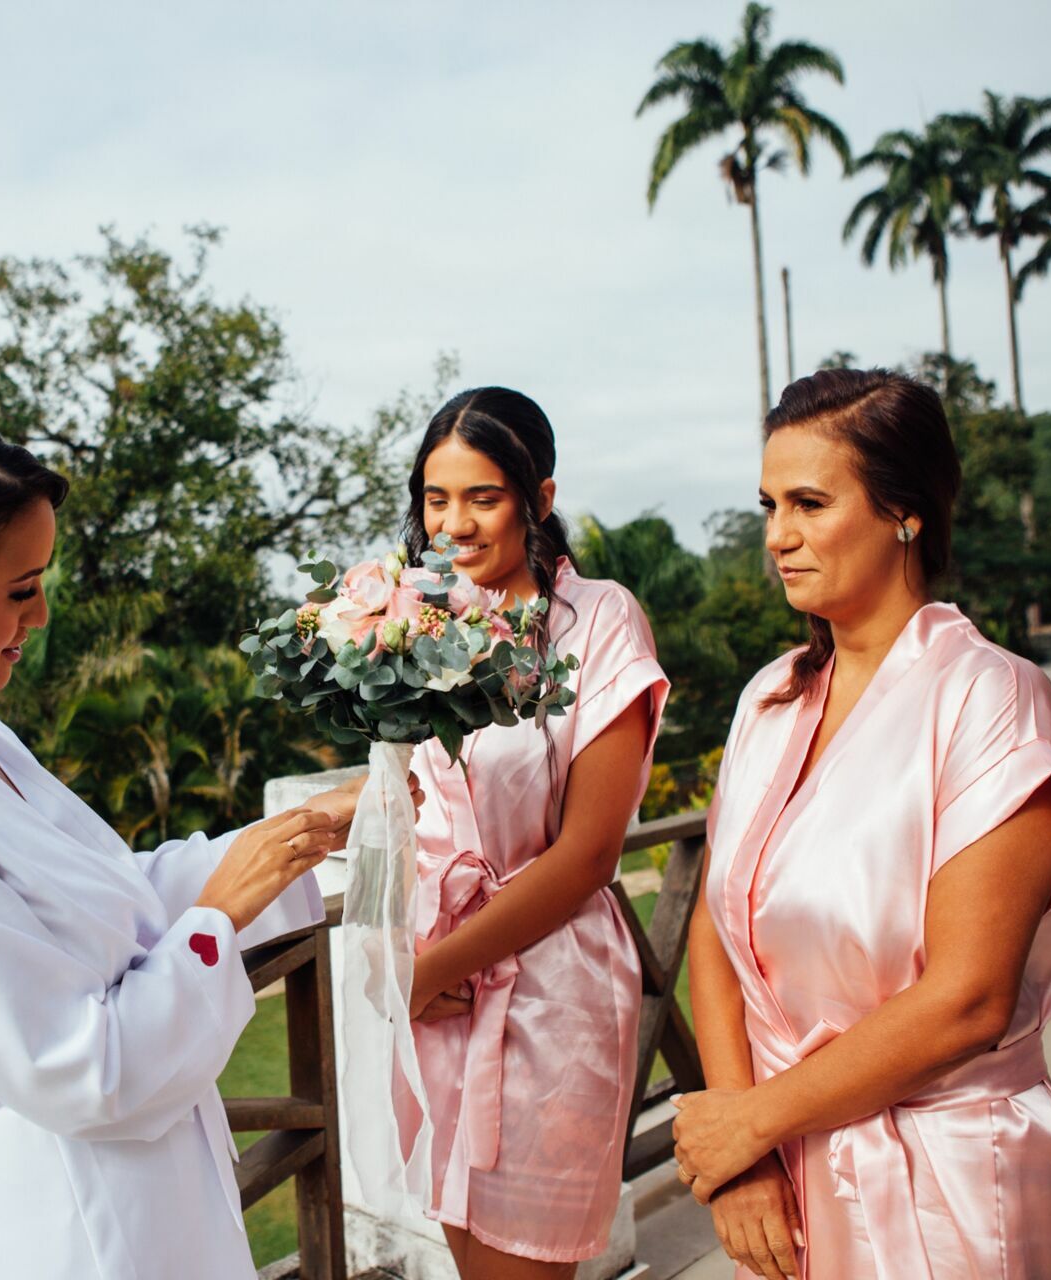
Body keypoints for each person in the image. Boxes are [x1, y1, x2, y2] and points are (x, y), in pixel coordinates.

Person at [0, 402, 384, 1279]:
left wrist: (312, 827)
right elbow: (79, 1072)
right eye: (19, 590)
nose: (40, 616)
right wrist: (218, 913)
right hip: (53, 1215)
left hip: (147, 1191)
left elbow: (99, 904)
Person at [675, 369, 1051, 1280]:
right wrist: (741, 1146)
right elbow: (713, 922)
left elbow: (970, 997)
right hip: (789, 1159)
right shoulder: (771, 699)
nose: (777, 536)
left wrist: (752, 1120)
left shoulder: (992, 702)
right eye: (769, 505)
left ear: (903, 510)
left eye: (810, 503)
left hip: (949, 1182)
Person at [399, 387, 670, 1279]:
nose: (455, 524)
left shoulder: (598, 621)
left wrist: (430, 970)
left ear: (539, 499)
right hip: (441, 997)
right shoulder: (419, 624)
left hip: (550, 987)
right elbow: (415, 793)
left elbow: (591, 853)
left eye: (483, 497)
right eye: (438, 499)